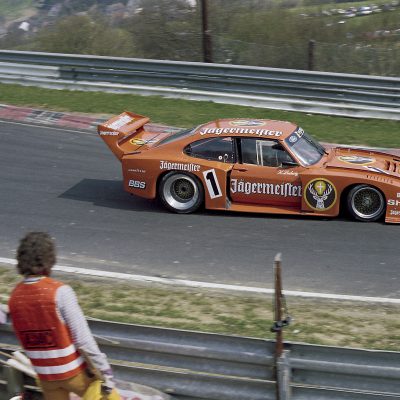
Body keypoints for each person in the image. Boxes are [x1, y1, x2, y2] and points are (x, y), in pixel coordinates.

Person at [8, 232, 120, 400]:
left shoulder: (14, 298)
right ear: (49, 259)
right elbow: (83, 340)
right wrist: (105, 371)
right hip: (75, 375)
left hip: (45, 378)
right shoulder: (59, 292)